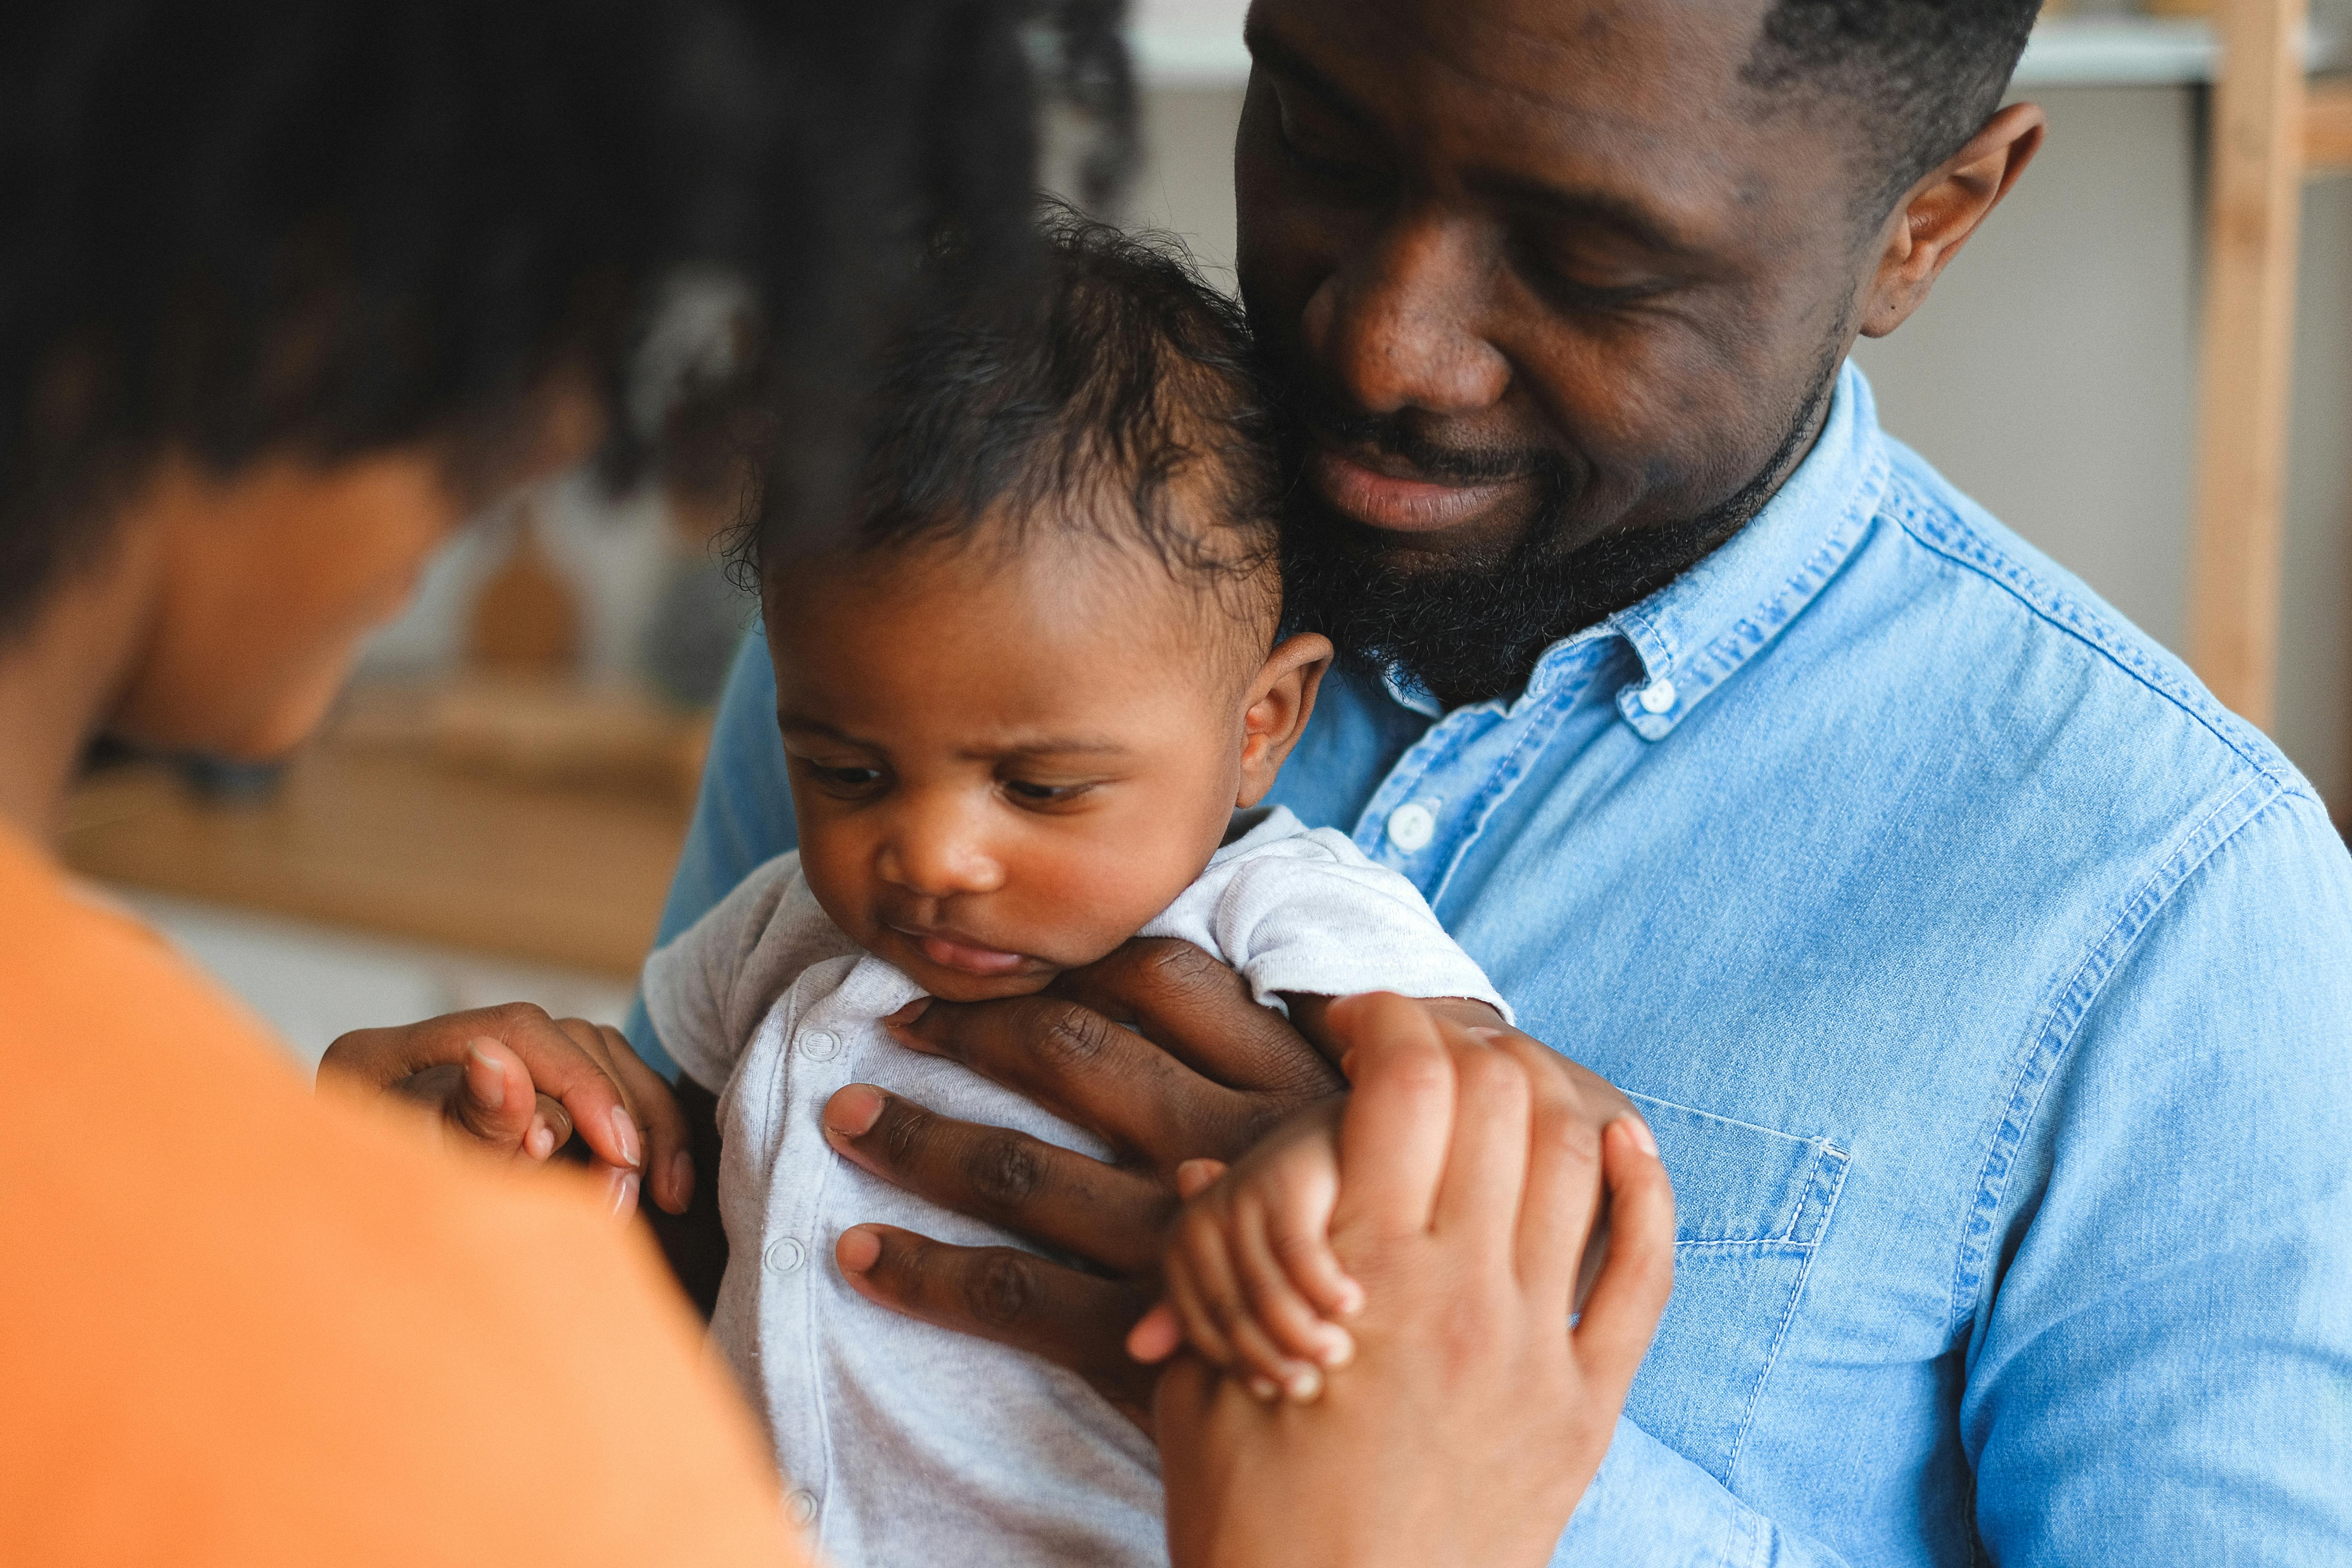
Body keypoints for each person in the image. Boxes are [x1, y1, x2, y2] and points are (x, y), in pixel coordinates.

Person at [338, 0, 2352, 1562]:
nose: (1387, 342)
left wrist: (1483, 1457)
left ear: (1933, 218)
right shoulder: (926, 617)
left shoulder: (2171, 898)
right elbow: (707, 1263)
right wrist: (506, 1205)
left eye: (1590, 257)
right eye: (1317, 132)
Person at [0, 3, 1677, 1565]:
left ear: (1261, 726)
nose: (933, 847)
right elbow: (674, 1157)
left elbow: (1456, 1118)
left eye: (1042, 781)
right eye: (850, 761)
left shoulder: (1281, 904)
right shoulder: (776, 913)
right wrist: (517, 1194)